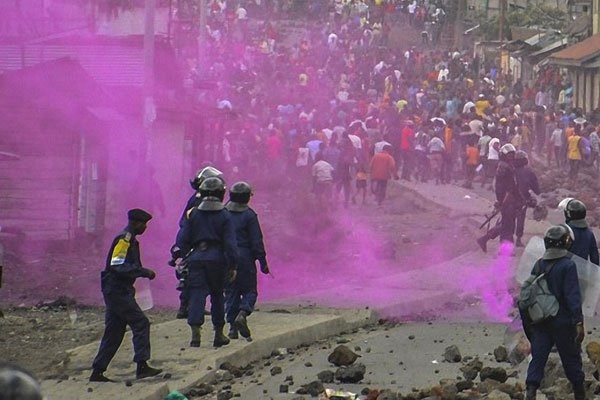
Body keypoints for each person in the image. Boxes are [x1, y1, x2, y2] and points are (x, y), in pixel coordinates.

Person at [90, 209, 162, 382]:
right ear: (136, 223)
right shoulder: (124, 240)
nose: (145, 227)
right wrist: (143, 272)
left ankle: (97, 371)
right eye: (144, 224)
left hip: (117, 290)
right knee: (141, 322)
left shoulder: (130, 239)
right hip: (117, 291)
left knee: (114, 331)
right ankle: (142, 366)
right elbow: (117, 265)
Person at [522, 224, 585, 400]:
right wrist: (578, 321)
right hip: (562, 322)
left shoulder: (539, 264)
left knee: (538, 357)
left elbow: (530, 294)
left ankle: (531, 392)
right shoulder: (568, 265)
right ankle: (580, 393)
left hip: (540, 320)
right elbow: (572, 296)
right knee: (571, 358)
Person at [176, 177, 239, 348]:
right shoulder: (225, 215)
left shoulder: (194, 213)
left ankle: (195, 334)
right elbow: (231, 244)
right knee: (218, 296)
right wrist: (233, 265)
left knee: (197, 294)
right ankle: (219, 334)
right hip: (218, 260)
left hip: (196, 259)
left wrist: (181, 256)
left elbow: (182, 239)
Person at [170, 166, 226, 319]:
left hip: (193, 241)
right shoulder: (200, 200)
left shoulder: (197, 197)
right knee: (196, 279)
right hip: (197, 242)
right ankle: (190, 309)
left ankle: (186, 307)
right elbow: (190, 222)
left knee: (191, 276)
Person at [224, 182, 269, 341]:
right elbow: (256, 240)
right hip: (245, 257)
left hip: (227, 257)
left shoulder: (223, 213)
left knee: (230, 292)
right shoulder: (249, 215)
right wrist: (262, 261)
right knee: (250, 290)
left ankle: (231, 329)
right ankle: (243, 313)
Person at [477, 144, 521, 252]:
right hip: (507, 200)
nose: (511, 157)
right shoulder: (503, 167)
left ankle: (485, 239)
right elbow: (501, 186)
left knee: (506, 224)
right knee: (508, 226)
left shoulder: (507, 166)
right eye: (509, 155)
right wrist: (503, 201)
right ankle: (504, 249)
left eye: (512, 155)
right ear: (503, 155)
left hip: (510, 199)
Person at [559, 198, 599, 265]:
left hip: (565, 271)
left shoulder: (565, 230)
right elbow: (595, 258)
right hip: (582, 272)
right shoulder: (589, 233)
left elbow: (555, 253)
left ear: (568, 214)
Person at [514, 151, 540, 247]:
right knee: (520, 219)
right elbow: (535, 186)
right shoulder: (529, 171)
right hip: (522, 199)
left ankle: (494, 235)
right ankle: (518, 239)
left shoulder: (511, 169)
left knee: (507, 220)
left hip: (509, 199)